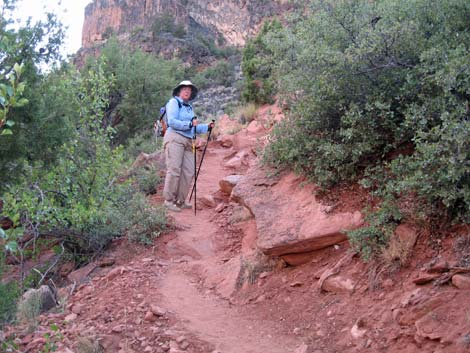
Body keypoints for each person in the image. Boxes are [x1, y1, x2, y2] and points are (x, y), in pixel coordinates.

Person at [162, 80, 214, 212]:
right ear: (179, 91)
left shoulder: (189, 108)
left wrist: (206, 127)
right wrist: (189, 125)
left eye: (189, 89)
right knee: (174, 169)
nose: (187, 91)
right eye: (184, 88)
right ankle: (168, 201)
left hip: (188, 141)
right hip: (174, 138)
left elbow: (194, 127)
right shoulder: (174, 102)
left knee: (189, 171)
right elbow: (172, 121)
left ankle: (180, 200)